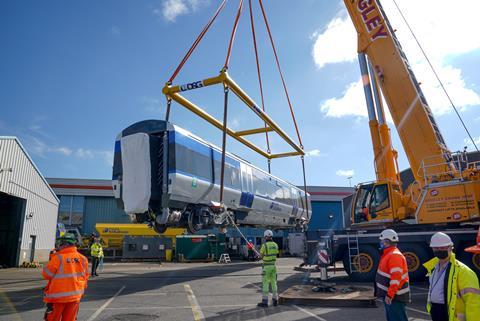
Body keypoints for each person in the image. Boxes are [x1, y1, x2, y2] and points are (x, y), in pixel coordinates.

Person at [423, 232, 480, 321]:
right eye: (436, 248)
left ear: (450, 248)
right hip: (437, 312)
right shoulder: (433, 268)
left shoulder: (463, 271)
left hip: (453, 316)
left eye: (442, 248)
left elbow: (473, 302)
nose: (439, 250)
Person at [42, 233, 89, 321]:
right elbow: (85, 277)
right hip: (75, 297)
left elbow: (46, 275)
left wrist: (51, 258)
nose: (59, 246)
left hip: (57, 298)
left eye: (61, 244)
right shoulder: (83, 258)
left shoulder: (58, 258)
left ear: (66, 244)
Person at [375, 229, 410, 321]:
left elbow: (396, 278)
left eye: (381, 241)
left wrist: (390, 295)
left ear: (387, 242)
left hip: (395, 297)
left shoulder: (394, 255)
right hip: (392, 296)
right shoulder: (389, 254)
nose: (380, 243)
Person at [257, 230, 279, 308]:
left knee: (265, 283)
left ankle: (265, 302)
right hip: (273, 266)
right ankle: (275, 300)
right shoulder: (276, 245)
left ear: (265, 236)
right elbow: (276, 254)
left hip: (266, 266)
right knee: (274, 282)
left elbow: (261, 256)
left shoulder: (264, 245)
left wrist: (259, 255)